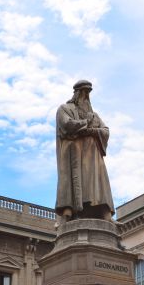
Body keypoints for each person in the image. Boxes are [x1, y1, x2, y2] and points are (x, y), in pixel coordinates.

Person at [54, 80, 114, 222]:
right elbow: (67, 125)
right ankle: (71, 211)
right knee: (76, 183)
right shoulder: (64, 109)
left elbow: (105, 131)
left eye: (88, 93)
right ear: (77, 93)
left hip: (93, 157)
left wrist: (91, 130)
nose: (86, 96)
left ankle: (105, 213)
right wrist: (86, 123)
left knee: (98, 184)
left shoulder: (94, 115)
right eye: (84, 92)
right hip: (74, 155)